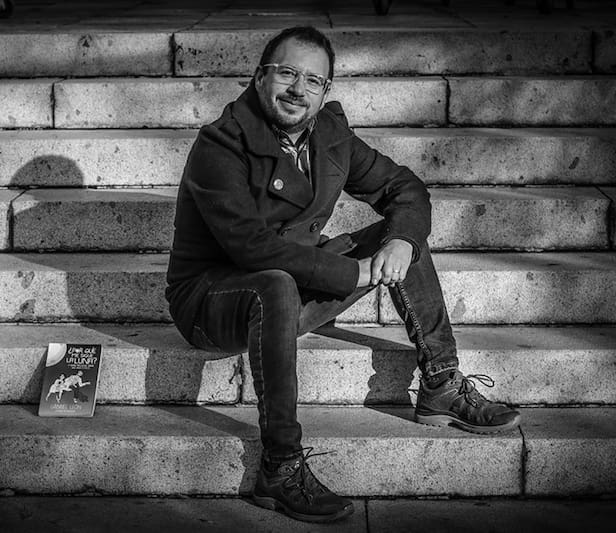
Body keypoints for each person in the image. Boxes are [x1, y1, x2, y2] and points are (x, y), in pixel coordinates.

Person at [165, 26, 521, 523]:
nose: (299, 90)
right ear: (260, 76)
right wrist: (350, 273)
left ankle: (441, 382)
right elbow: (251, 247)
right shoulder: (220, 144)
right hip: (214, 301)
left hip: (295, 287)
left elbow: (405, 189)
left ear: (325, 89)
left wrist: (399, 243)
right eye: (287, 74)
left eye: (313, 81)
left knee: (401, 237)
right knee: (274, 283)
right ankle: (280, 466)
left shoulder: (328, 135)